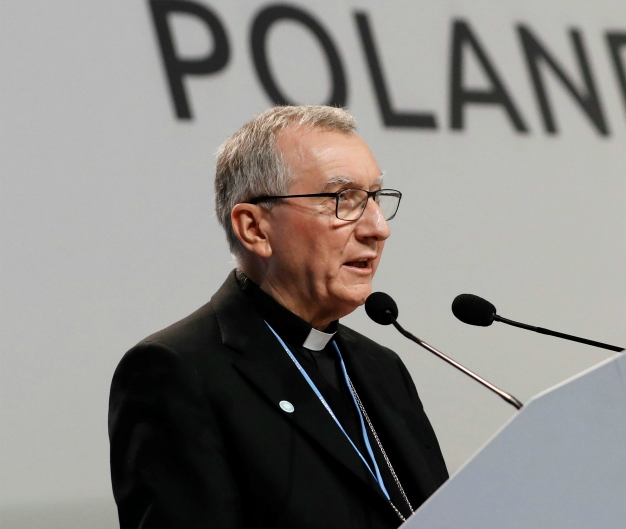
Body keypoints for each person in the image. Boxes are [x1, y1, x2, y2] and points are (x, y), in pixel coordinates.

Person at [108, 106, 448, 529]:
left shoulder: (382, 368)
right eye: (343, 199)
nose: (378, 228)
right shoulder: (177, 372)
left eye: (376, 198)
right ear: (254, 229)